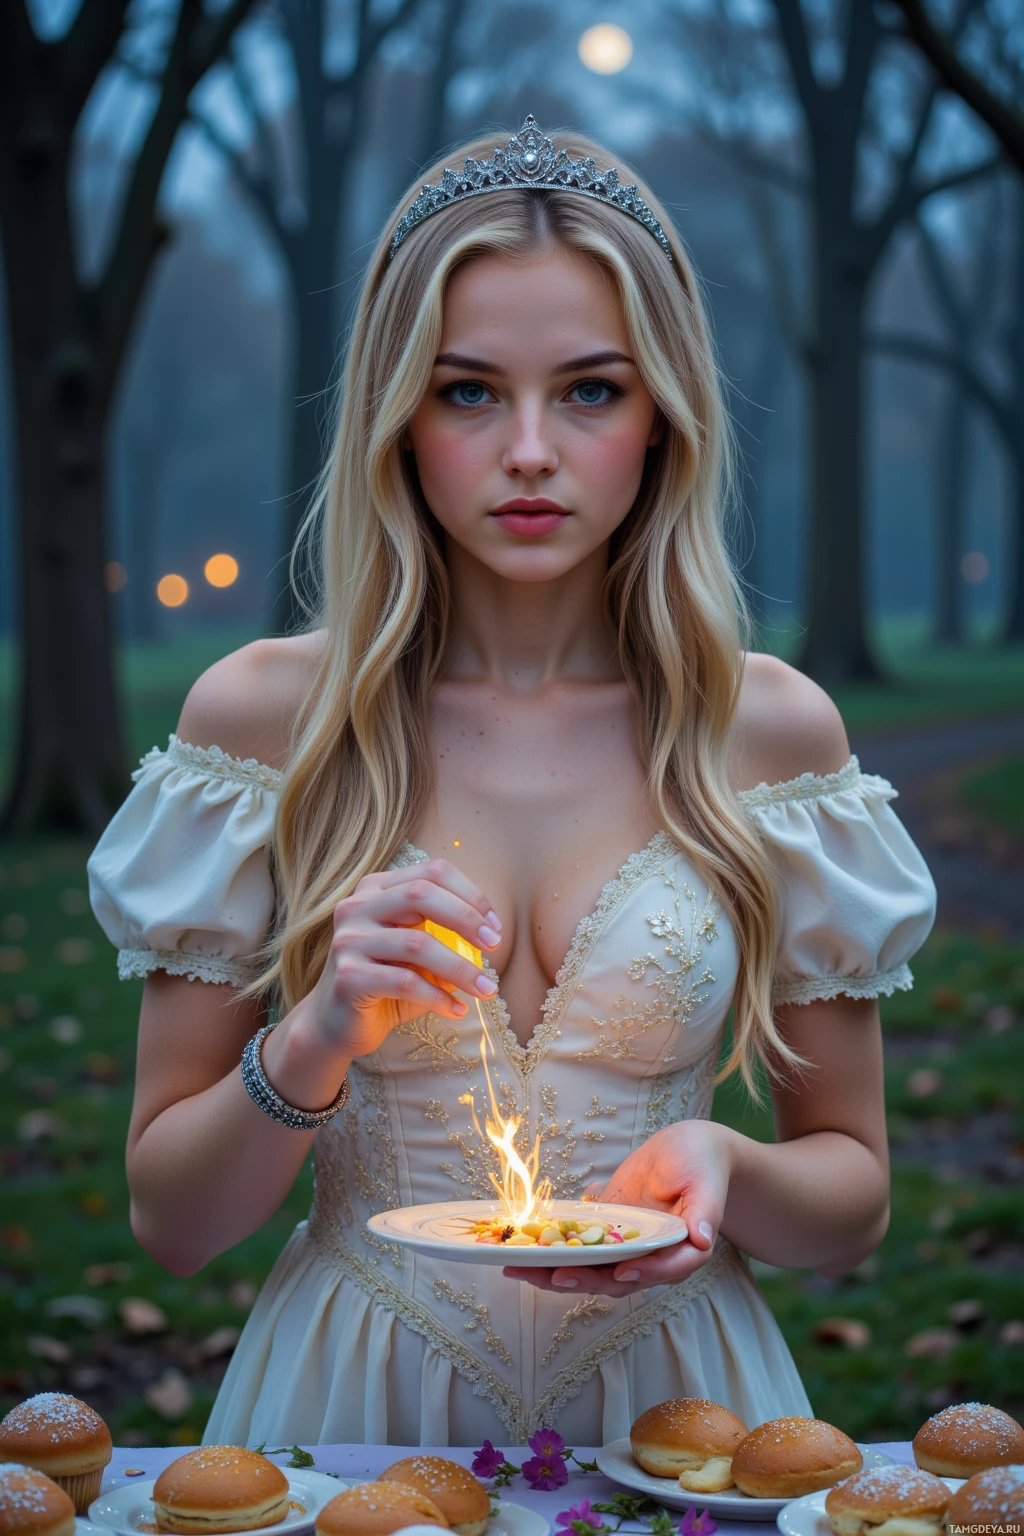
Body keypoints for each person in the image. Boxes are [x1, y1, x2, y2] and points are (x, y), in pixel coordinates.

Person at [88, 117, 936, 1448]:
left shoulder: (769, 734)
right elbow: (174, 1224)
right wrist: (310, 1038)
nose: (530, 450)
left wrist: (725, 1168)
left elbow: (854, 1197)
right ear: (399, 415)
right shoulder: (265, 721)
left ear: (662, 414)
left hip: (684, 1413)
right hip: (349, 1411)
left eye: (591, 390)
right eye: (469, 390)